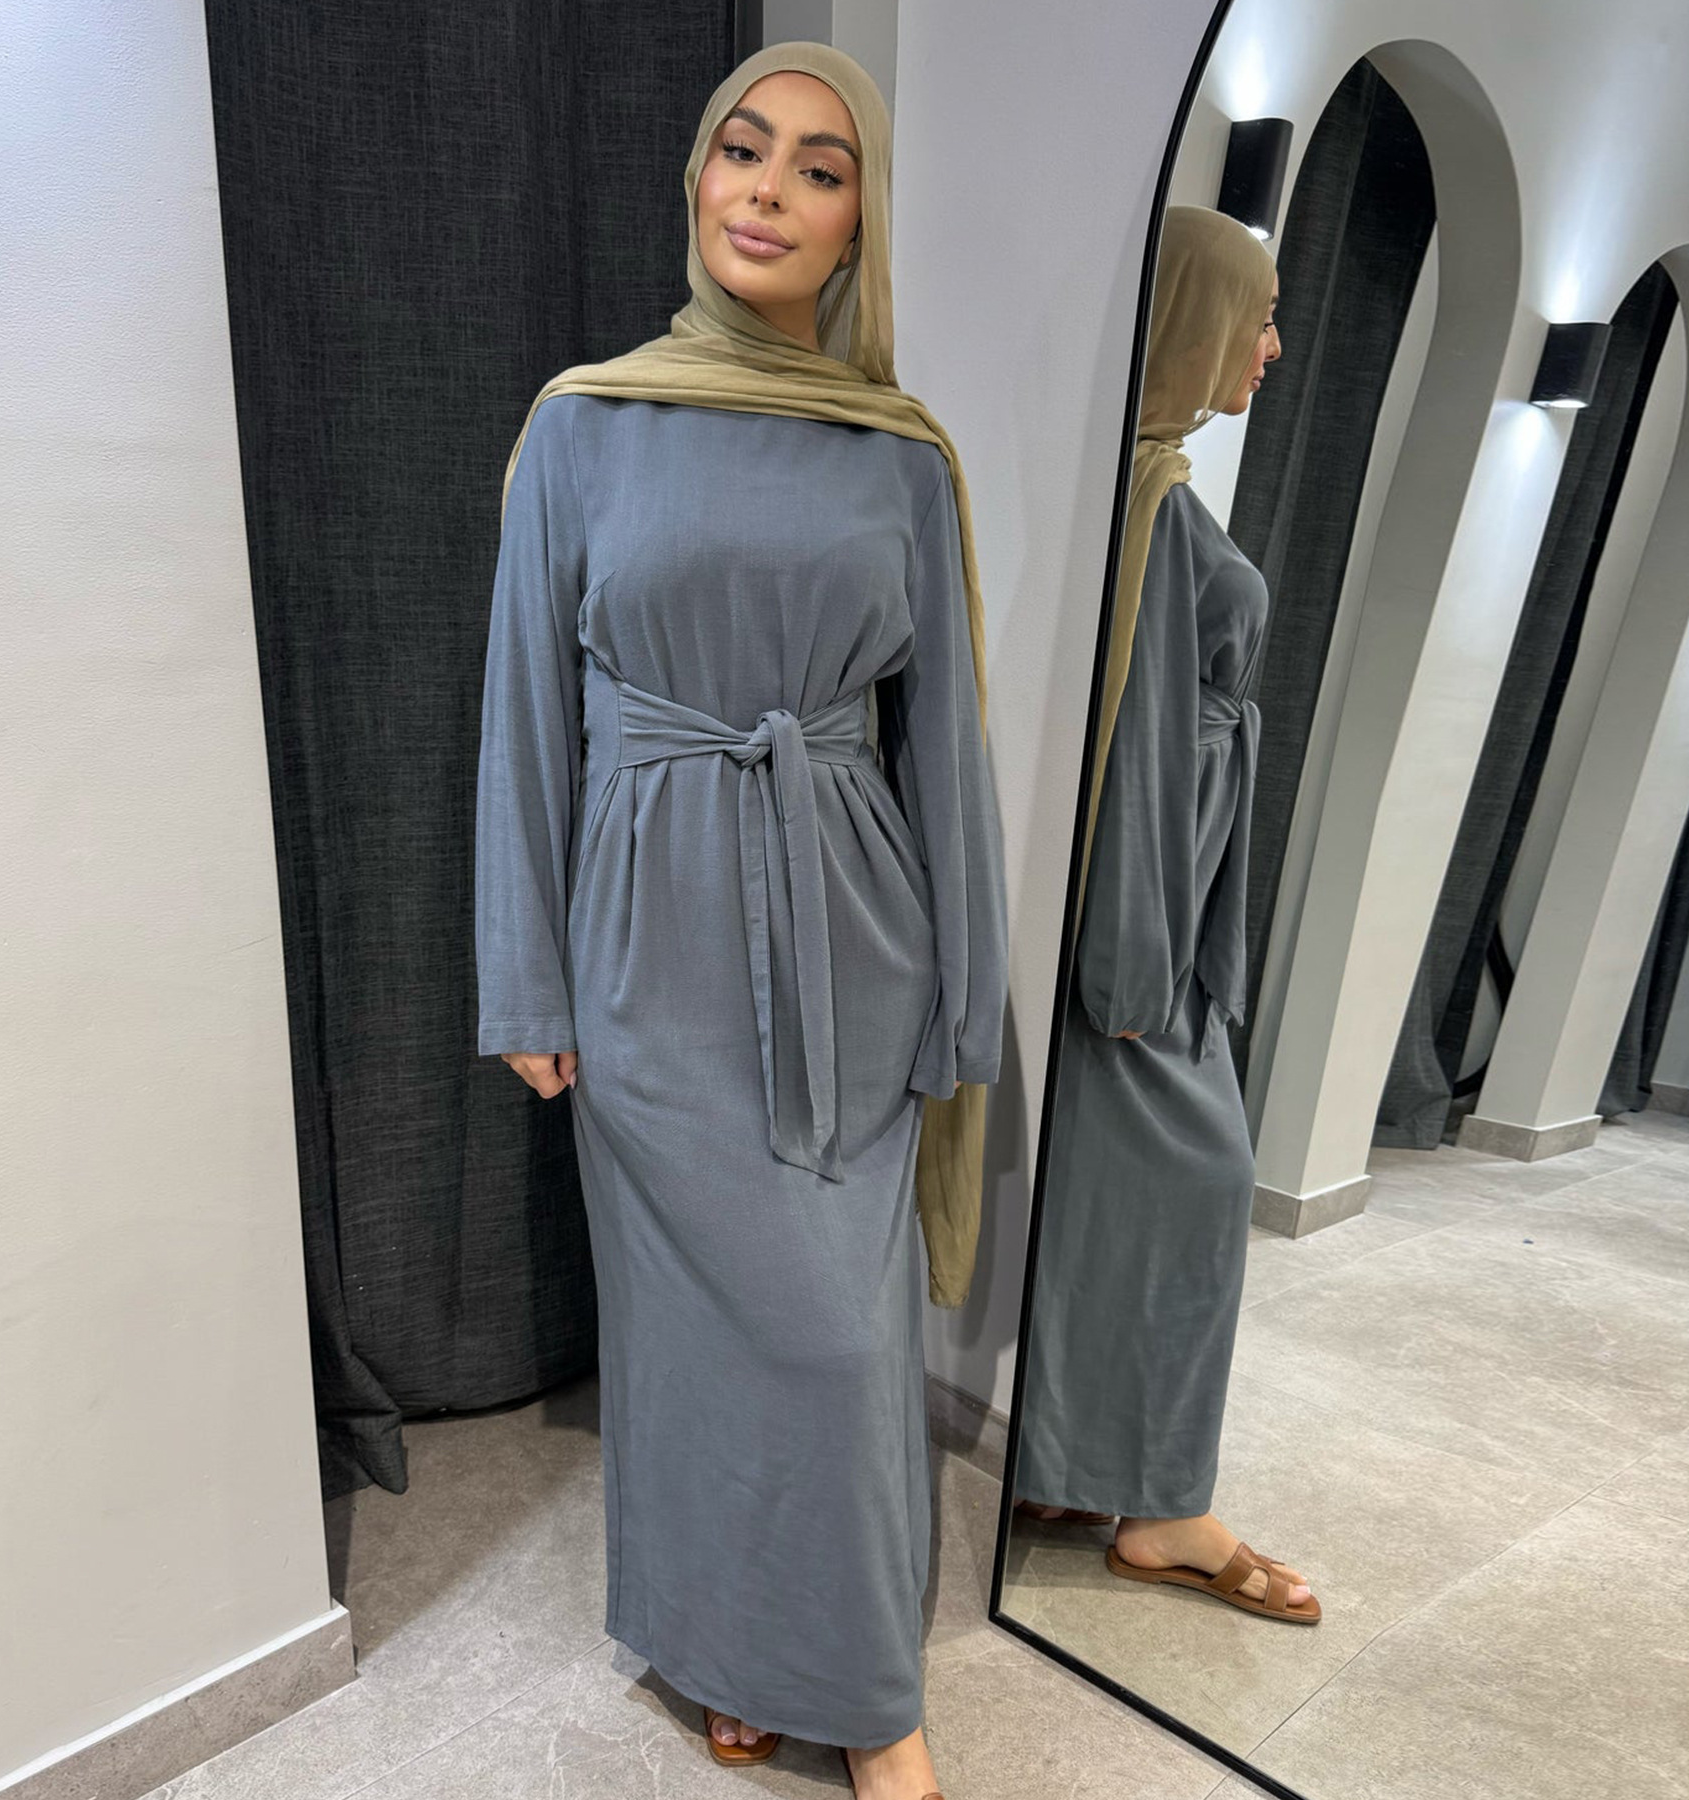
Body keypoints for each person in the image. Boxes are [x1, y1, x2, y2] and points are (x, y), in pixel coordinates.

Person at [474, 43, 1007, 1799]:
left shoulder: (899, 454)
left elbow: (947, 750)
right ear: (699, 179)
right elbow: (525, 719)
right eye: (743, 149)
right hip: (647, 936)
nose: (770, 189)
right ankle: (723, 1637)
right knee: (694, 1330)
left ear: (859, 225)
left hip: (852, 925)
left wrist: (968, 991)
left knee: (840, 1334)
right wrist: (525, 981)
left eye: (820, 168)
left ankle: (869, 1694)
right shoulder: (581, 423)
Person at [1012, 205, 1320, 1625]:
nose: (1272, 345)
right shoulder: (1141, 501)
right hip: (1140, 931)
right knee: (1201, 1182)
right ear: (1193, 316)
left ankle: (1082, 1469)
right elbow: (1130, 746)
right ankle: (1167, 1513)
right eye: (1256, 313)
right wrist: (1139, 962)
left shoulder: (1153, 487)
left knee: (1111, 1208)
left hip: (1168, 900)